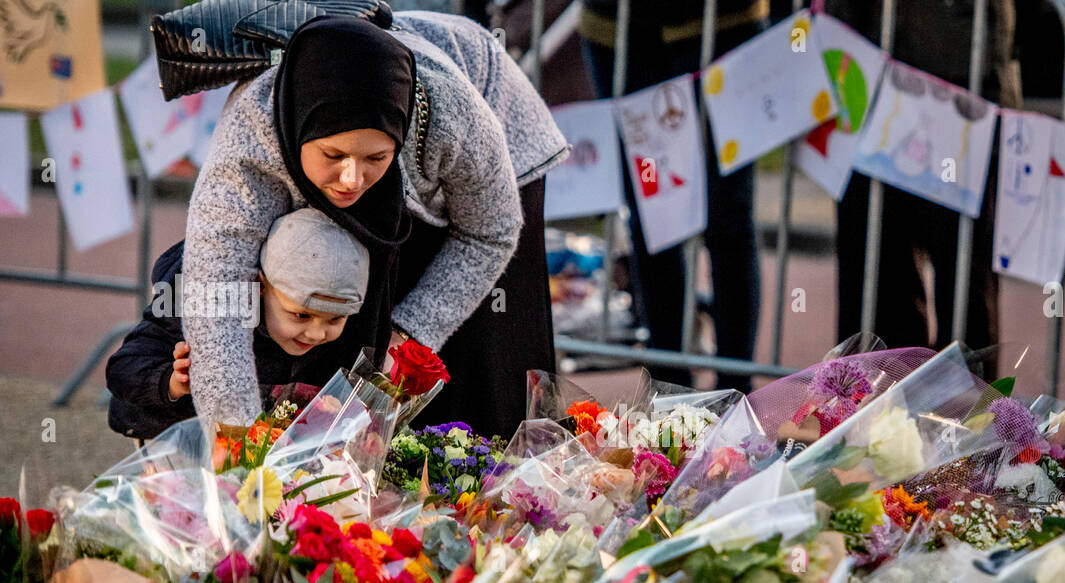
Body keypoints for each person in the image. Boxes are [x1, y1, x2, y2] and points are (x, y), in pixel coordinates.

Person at [181, 13, 569, 442]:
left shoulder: (451, 115)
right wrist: (234, 439)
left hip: (492, 134)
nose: (352, 178)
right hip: (391, 164)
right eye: (333, 155)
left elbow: (489, 233)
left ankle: (494, 485)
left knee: (477, 361)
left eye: (374, 158)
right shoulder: (248, 146)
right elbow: (216, 293)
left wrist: (409, 334)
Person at [579, 0, 767, 393]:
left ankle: (735, 392)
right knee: (651, 221)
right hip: (618, 28)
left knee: (727, 217)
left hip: (723, 25)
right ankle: (669, 394)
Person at [822, 0, 1020, 358]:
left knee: (964, 283)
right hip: (862, 71)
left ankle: (969, 409)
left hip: (958, 78)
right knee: (876, 283)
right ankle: (878, 405)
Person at [107, 208, 370, 441]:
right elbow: (123, 367)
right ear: (261, 287)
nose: (316, 333)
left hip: (264, 457)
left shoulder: (337, 336)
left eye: (336, 319)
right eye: (300, 315)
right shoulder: (203, 308)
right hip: (177, 444)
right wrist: (172, 382)